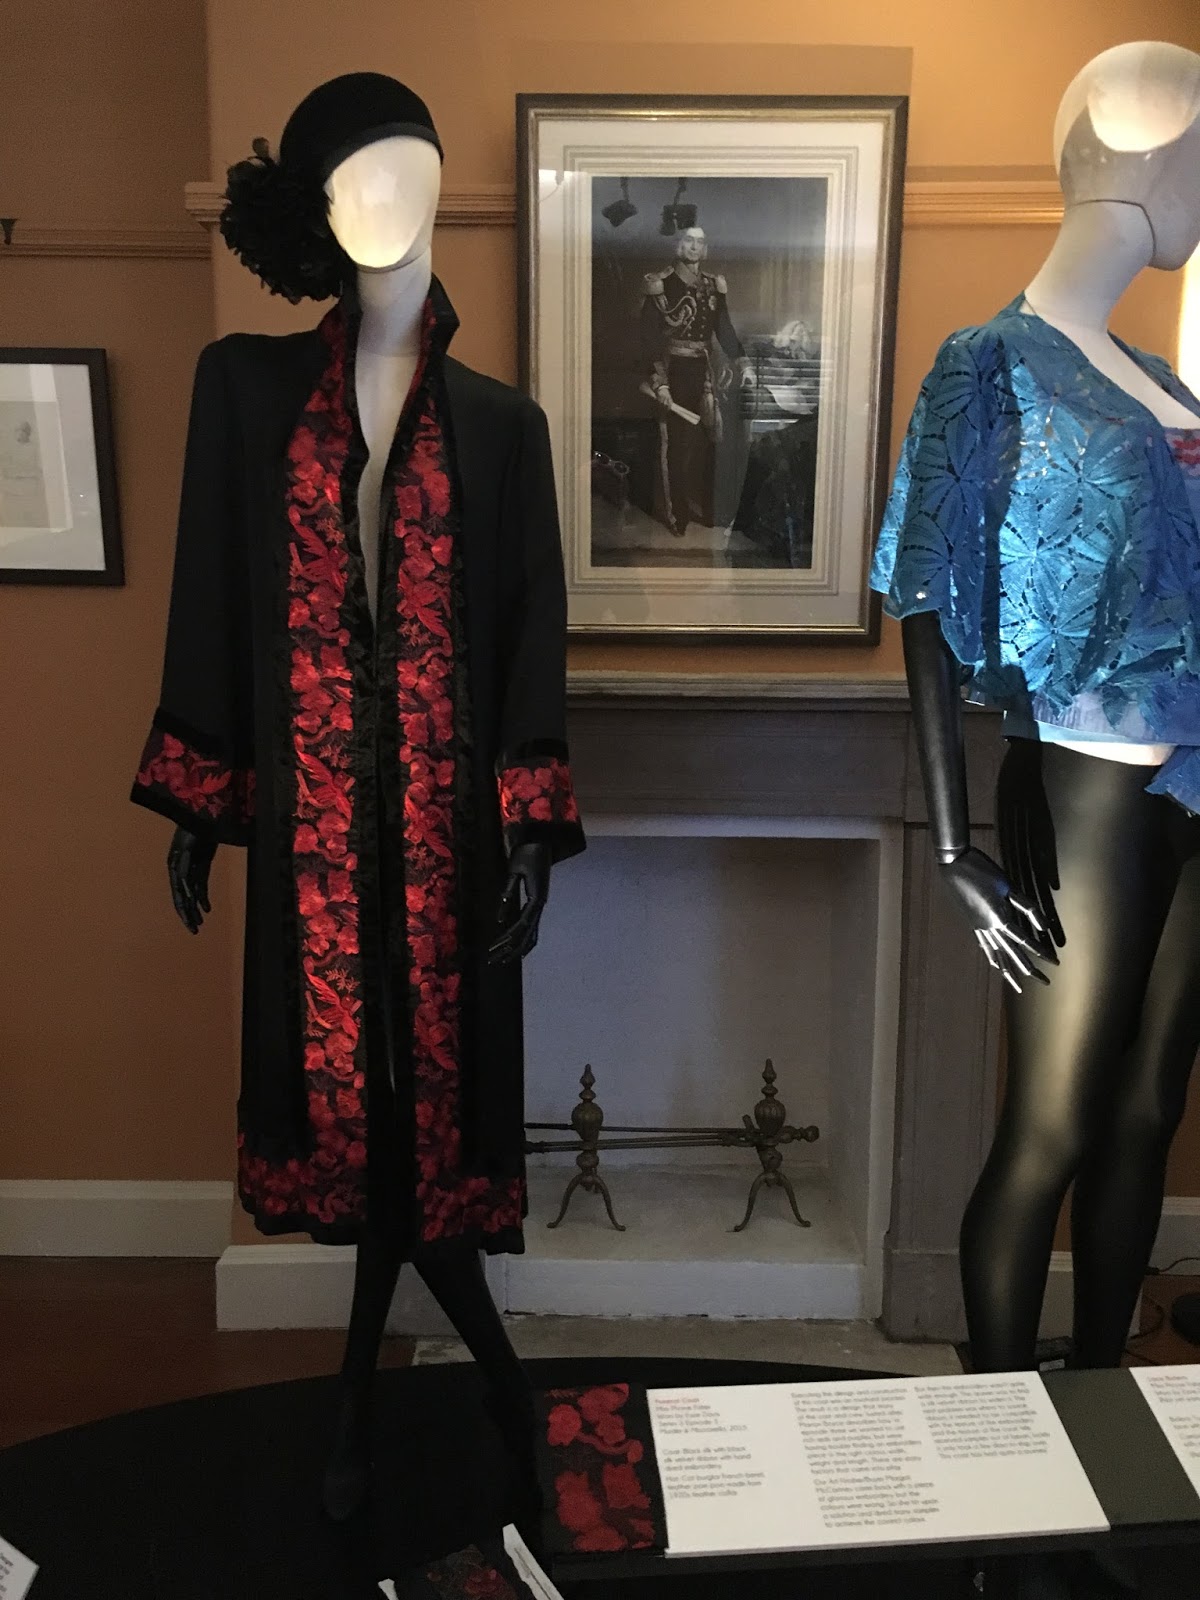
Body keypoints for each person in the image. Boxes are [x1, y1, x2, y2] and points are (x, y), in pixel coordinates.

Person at [639, 226, 747, 535]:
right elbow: (648, 338)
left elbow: (723, 328)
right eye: (689, 240)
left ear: (706, 248)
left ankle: (711, 510)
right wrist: (660, 382)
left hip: (705, 370)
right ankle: (679, 514)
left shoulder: (713, 285)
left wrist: (742, 361)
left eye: (700, 242)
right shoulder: (661, 284)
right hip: (674, 370)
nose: (695, 247)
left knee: (712, 442)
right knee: (677, 444)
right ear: (678, 245)